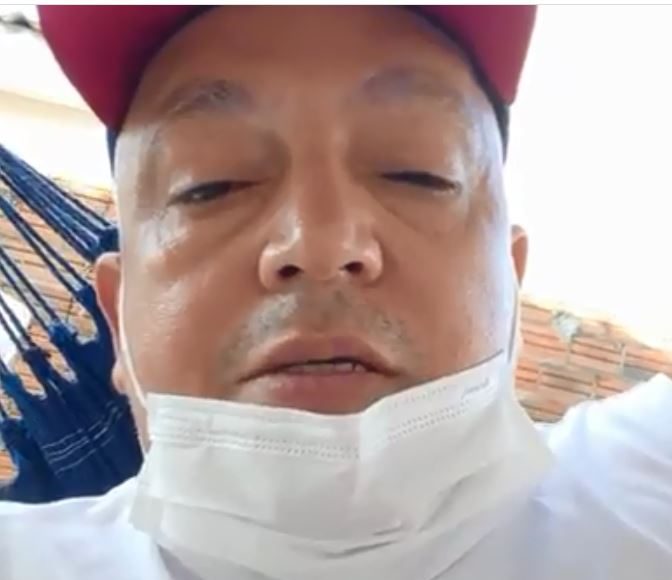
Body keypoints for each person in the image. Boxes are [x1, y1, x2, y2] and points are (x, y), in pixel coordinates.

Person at [2, 5, 671, 580]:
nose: (319, 245)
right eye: (212, 185)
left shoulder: (643, 502)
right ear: (118, 319)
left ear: (512, 288)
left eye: (417, 173)